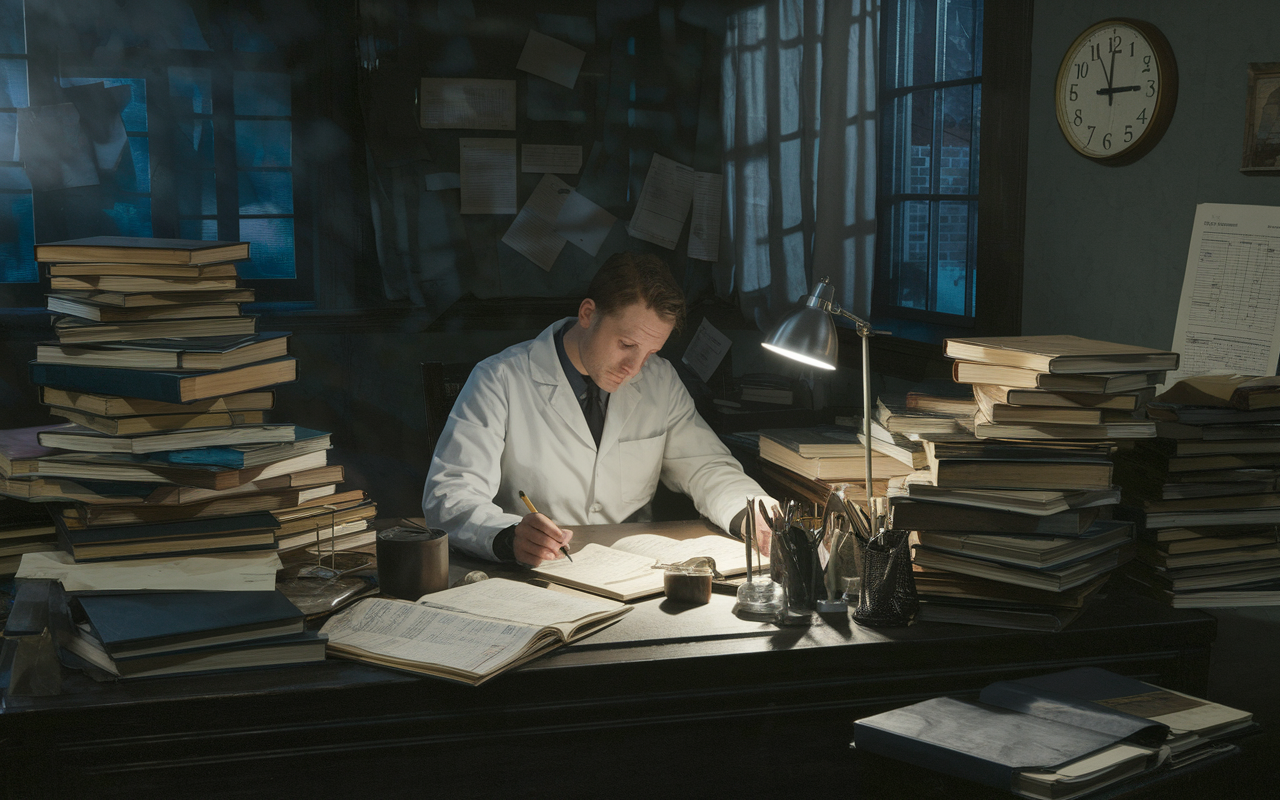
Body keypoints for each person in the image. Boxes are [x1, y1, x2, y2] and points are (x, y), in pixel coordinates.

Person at [422, 251, 776, 567]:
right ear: (588, 314)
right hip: (538, 568)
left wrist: (755, 514)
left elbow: (706, 467)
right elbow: (451, 495)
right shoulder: (498, 379)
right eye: (626, 344)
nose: (634, 368)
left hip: (633, 569)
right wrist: (507, 536)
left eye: (650, 352)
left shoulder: (660, 381)